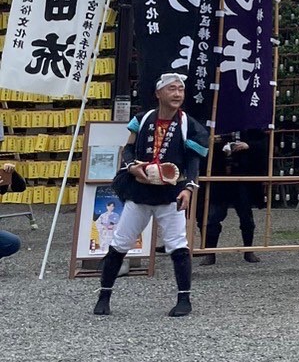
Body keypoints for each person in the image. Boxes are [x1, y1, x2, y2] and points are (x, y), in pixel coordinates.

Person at [93, 72, 209, 318]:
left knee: (177, 244)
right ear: (158, 93)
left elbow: (193, 161)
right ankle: (104, 295)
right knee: (120, 243)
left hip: (171, 193)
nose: (177, 94)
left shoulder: (189, 125)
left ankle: (184, 299)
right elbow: (128, 149)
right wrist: (131, 167)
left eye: (180, 89)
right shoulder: (142, 119)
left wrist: (189, 188)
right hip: (140, 191)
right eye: (171, 89)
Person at [195, 128, 267, 266]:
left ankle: (248, 250)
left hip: (242, 177)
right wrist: (213, 142)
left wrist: (248, 145)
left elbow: (264, 144)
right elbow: (202, 145)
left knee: (246, 216)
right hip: (219, 177)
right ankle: (210, 252)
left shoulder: (250, 126)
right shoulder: (217, 124)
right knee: (213, 216)